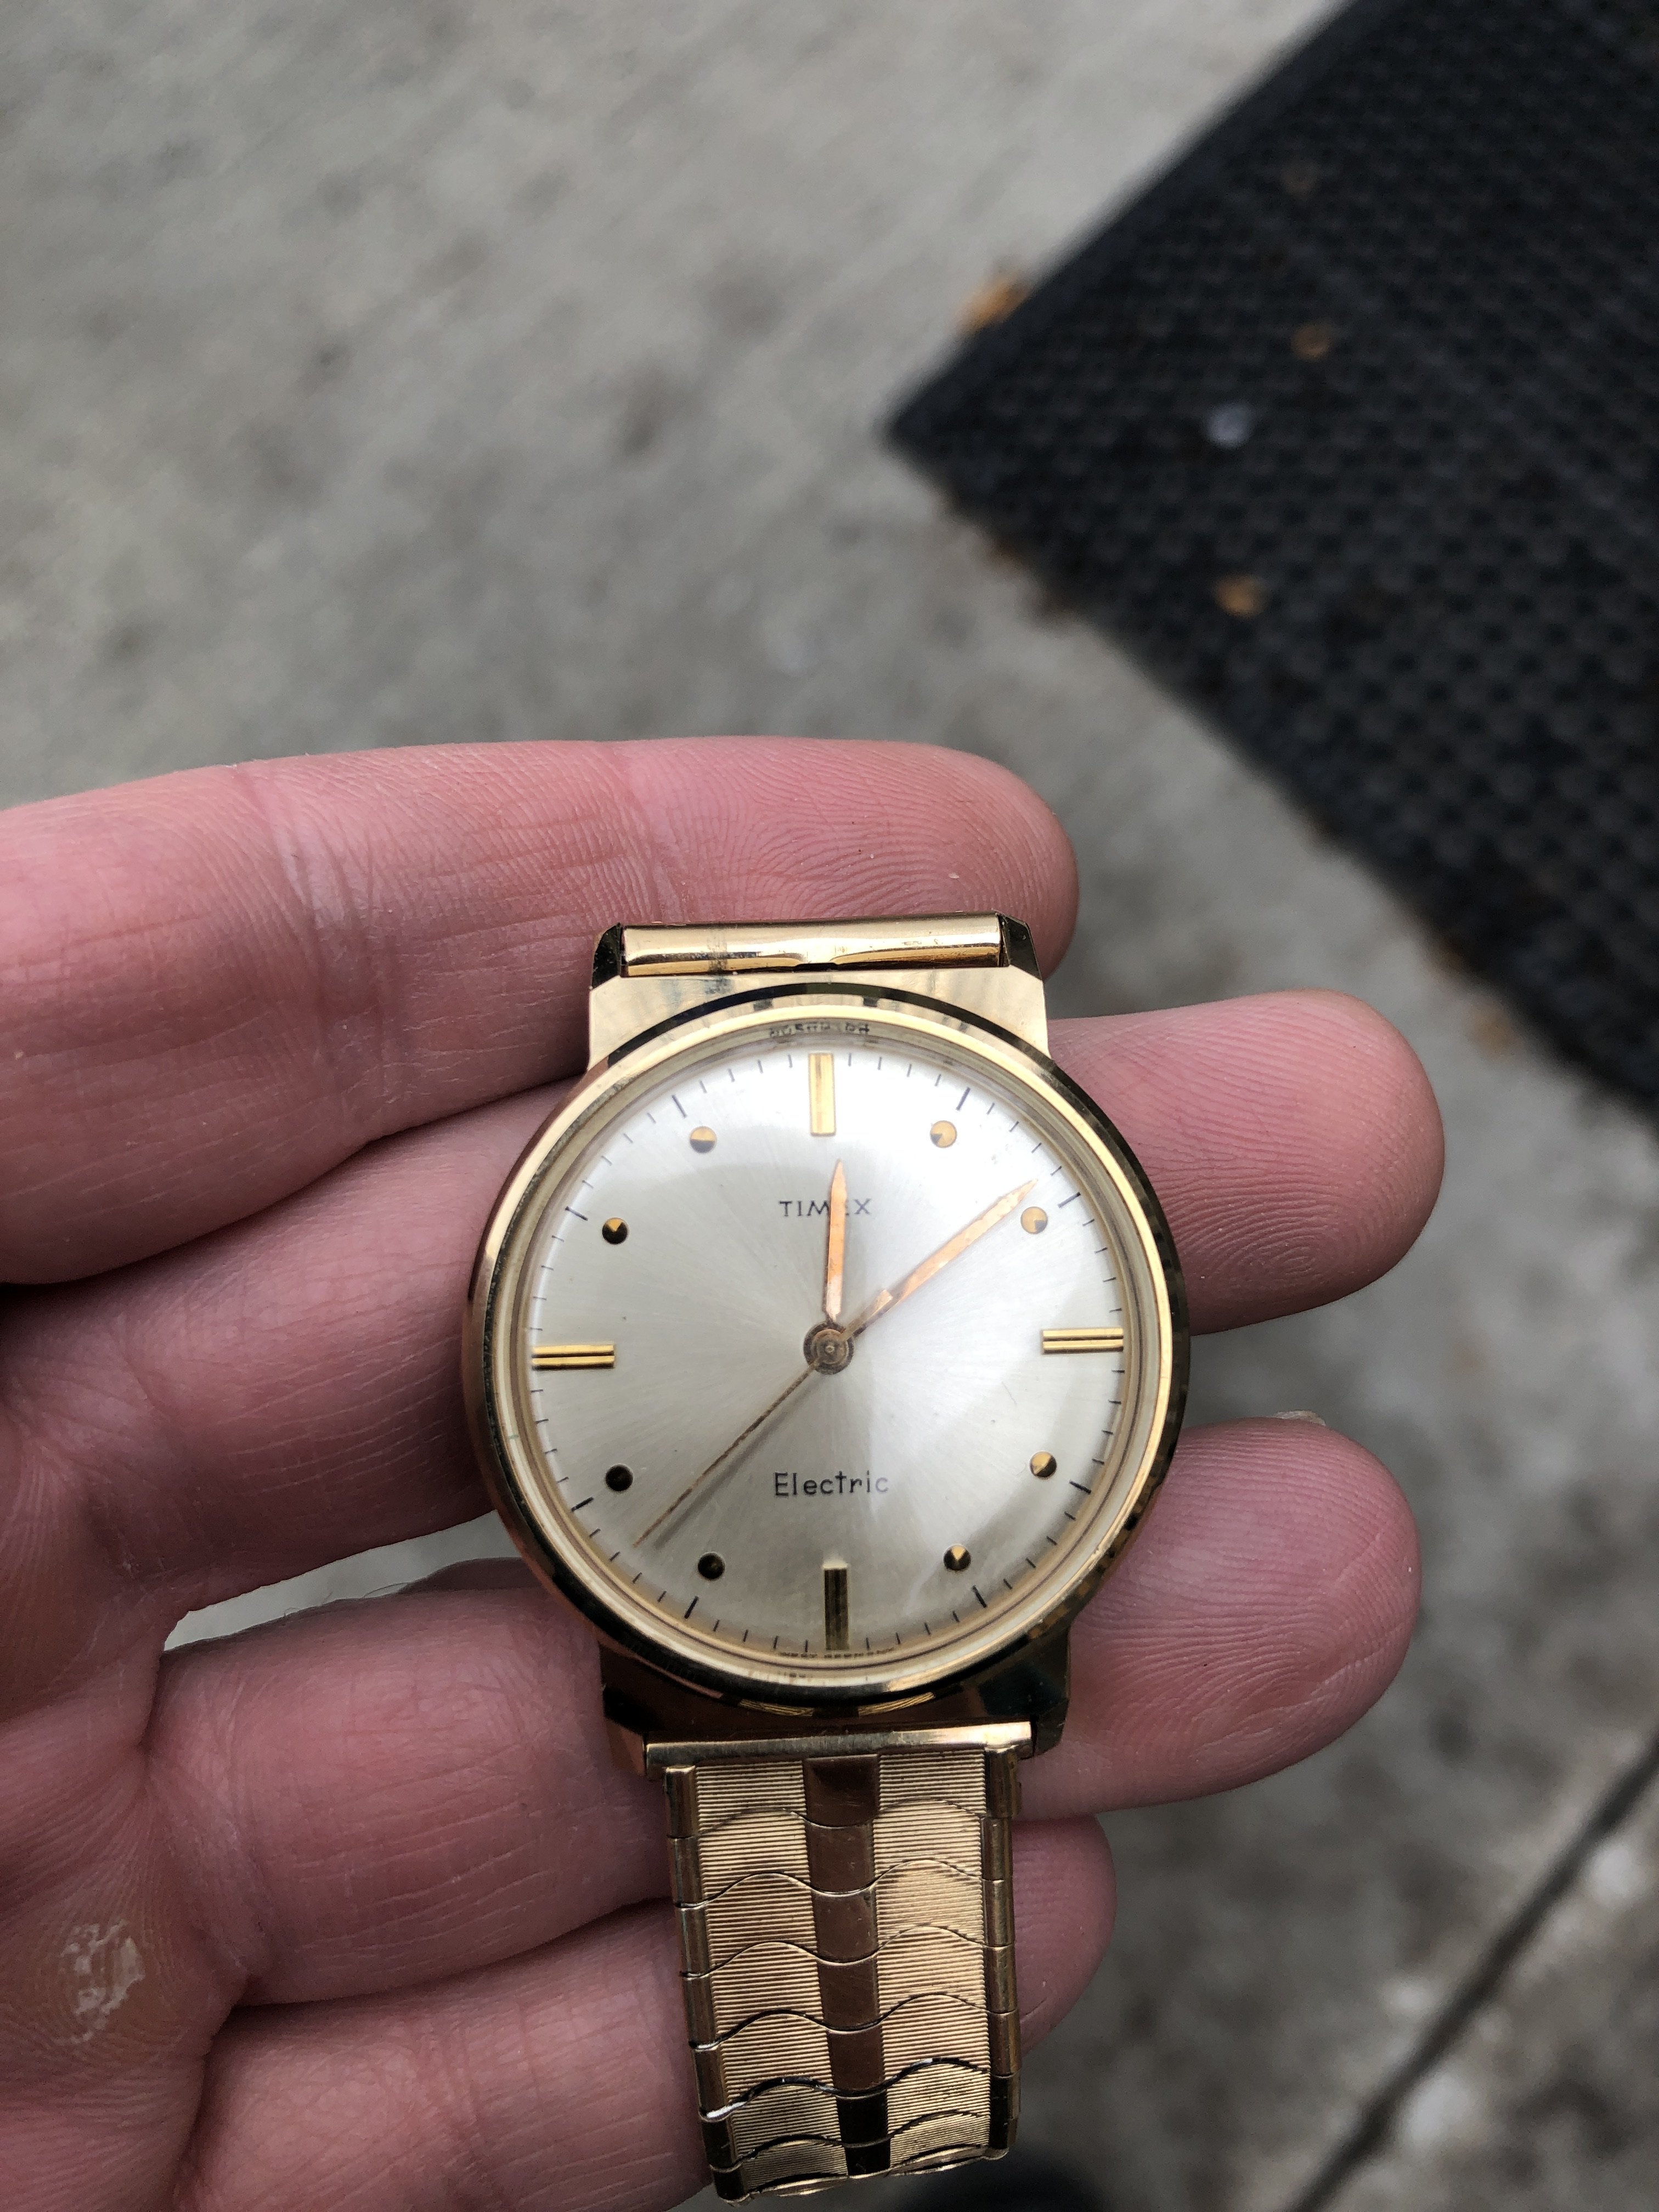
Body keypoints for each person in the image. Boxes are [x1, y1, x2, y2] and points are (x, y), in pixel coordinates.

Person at [0, 737, 1441, 2211]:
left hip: (930, 1607)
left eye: (849, 1329)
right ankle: (856, 2127)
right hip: (734, 1623)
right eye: (831, 1331)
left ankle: (916, 2123)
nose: (831, 1338)